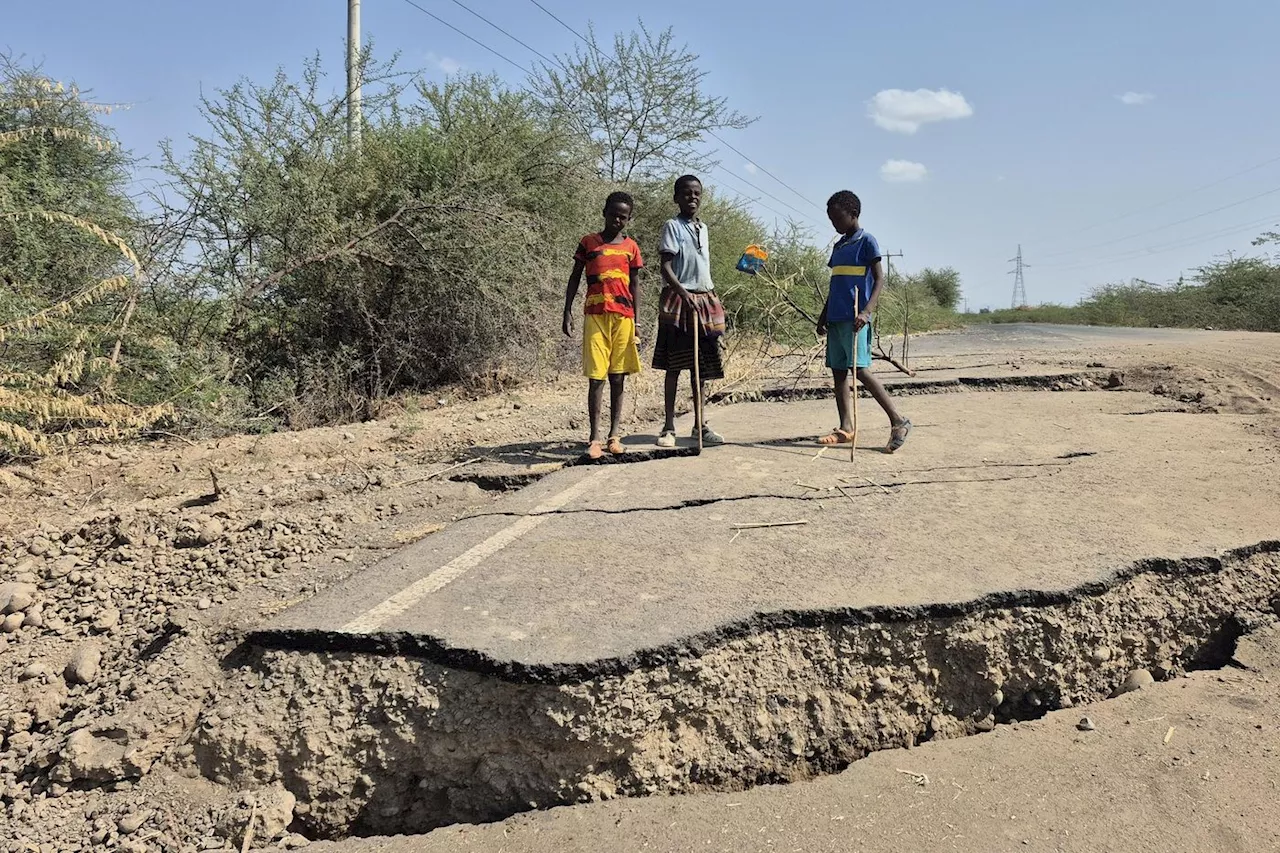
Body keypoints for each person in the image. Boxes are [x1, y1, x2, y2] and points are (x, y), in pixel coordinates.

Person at [816, 190, 912, 452]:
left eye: (838, 218)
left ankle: (898, 420)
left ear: (853, 214)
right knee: (838, 372)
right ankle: (846, 428)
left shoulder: (867, 241)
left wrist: (866, 311)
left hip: (855, 318)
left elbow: (880, 279)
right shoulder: (838, 247)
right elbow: (834, 285)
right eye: (831, 219)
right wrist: (823, 317)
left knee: (860, 370)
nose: (834, 224)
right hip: (836, 318)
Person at [562, 190, 645, 459]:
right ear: (604, 213)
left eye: (623, 217)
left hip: (623, 317)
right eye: (613, 215)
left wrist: (637, 321)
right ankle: (594, 438)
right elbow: (575, 277)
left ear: (629, 219)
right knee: (596, 376)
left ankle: (614, 435)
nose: (617, 221)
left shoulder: (631, 247)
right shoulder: (588, 243)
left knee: (618, 376)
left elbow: (635, 285)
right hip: (595, 315)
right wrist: (567, 311)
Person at [652, 174, 728, 448]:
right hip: (679, 301)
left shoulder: (703, 228)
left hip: (704, 300)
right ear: (676, 198)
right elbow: (666, 267)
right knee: (674, 366)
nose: (692, 198)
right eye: (686, 193)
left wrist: (709, 298)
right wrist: (685, 295)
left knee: (701, 369)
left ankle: (700, 425)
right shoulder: (673, 226)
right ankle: (669, 427)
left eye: (697, 193)